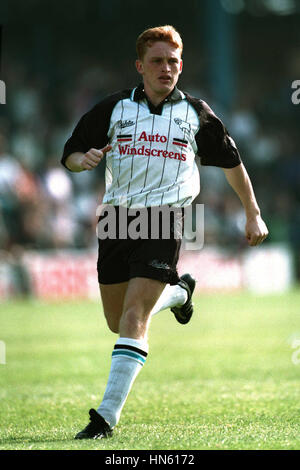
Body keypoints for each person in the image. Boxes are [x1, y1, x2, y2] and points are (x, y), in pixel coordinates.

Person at [61, 25, 268, 439]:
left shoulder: (196, 113)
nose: (166, 68)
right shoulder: (114, 108)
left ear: (181, 66)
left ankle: (105, 418)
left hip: (163, 220)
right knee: (116, 320)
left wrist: (252, 212)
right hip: (116, 221)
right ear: (140, 66)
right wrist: (81, 161)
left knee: (135, 316)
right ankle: (179, 293)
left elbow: (232, 162)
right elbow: (70, 152)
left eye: (173, 61)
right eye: (157, 61)